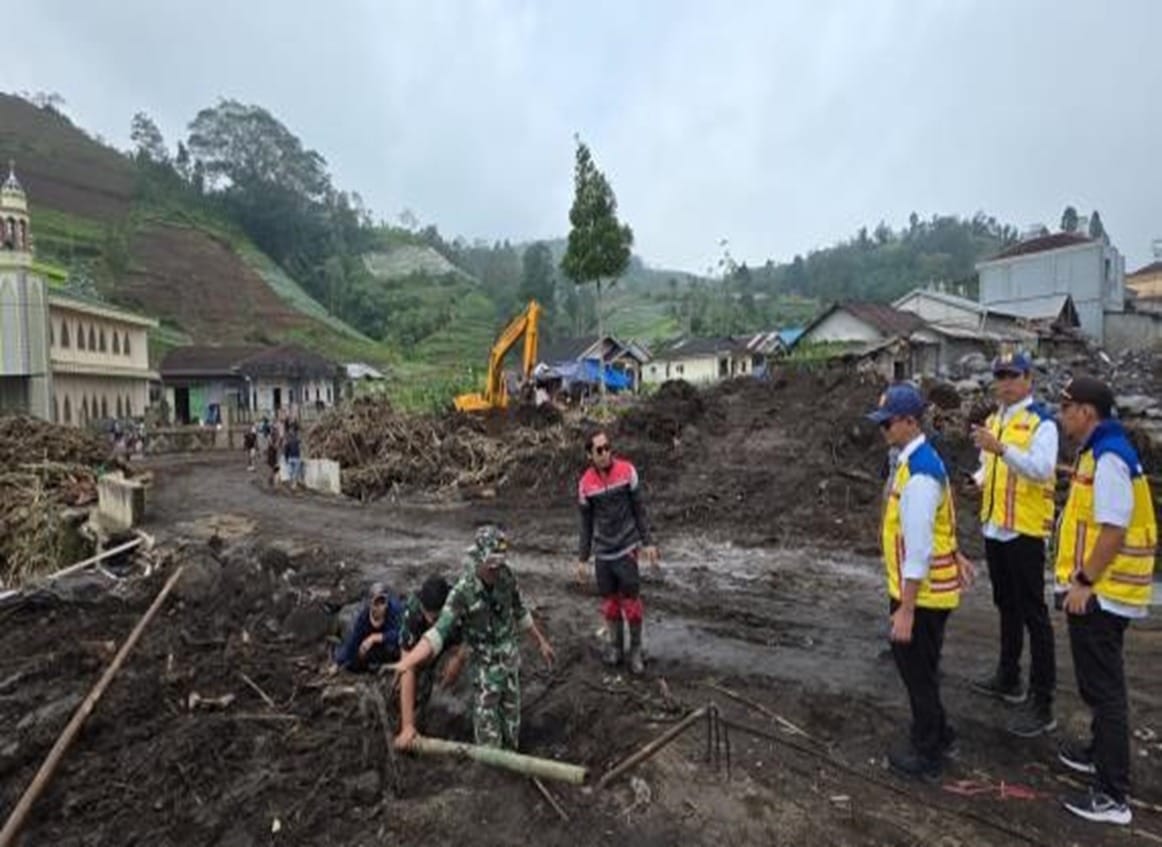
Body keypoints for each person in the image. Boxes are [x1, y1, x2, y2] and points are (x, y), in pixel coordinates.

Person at [1053, 377, 1156, 826]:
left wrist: (1083, 581)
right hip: (1104, 590)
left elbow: (1112, 530)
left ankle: (1114, 795)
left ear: (1087, 413)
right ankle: (1098, 753)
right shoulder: (1100, 450)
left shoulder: (1110, 457)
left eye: (1067, 408)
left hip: (1103, 592)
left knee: (1106, 691)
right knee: (1097, 687)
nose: (1062, 416)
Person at [868, 383, 974, 782]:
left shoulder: (921, 474)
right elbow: (939, 525)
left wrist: (906, 610)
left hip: (922, 594)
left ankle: (928, 751)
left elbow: (918, 548)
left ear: (910, 422)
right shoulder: (914, 462)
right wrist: (958, 553)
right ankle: (940, 732)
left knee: (917, 673)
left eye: (888, 423)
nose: (882, 431)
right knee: (922, 669)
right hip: (923, 589)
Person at [391, 526, 555, 750]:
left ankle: (511, 769)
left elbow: (520, 611)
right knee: (489, 741)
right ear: (479, 559)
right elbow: (437, 633)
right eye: (491, 565)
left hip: (509, 666)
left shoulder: (506, 577)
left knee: (511, 733)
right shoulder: (462, 592)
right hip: (485, 674)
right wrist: (406, 663)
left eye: (498, 564)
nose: (495, 570)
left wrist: (541, 641)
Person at [969, 351, 1059, 737]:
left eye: (1012, 375)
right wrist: (977, 476)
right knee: (1005, 604)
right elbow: (989, 467)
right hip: (995, 527)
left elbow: (1041, 470)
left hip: (1024, 531)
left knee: (1034, 613)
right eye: (1000, 375)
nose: (1005, 382)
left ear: (1028, 379)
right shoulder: (993, 420)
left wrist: (1001, 449)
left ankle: (1043, 700)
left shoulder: (1042, 423)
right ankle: (1008, 675)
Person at [575, 429, 659, 675]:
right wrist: (582, 558)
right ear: (590, 454)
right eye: (599, 450)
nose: (605, 453)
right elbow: (586, 525)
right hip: (603, 553)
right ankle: (615, 647)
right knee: (610, 604)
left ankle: (635, 650)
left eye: (608, 447)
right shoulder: (585, 484)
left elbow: (639, 510)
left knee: (631, 603)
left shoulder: (627, 472)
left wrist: (648, 542)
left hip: (626, 548)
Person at [393, 575, 469, 750]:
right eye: (427, 616)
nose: (430, 621)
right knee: (411, 686)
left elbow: (474, 635)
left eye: (435, 619)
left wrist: (458, 659)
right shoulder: (412, 612)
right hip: (423, 646)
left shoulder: (461, 604)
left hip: (454, 639)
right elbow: (407, 666)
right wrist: (407, 726)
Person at [333, 582, 404, 673]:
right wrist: (338, 662)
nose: (380, 607)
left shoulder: (394, 610)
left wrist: (376, 637)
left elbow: (402, 632)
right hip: (374, 648)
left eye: (383, 602)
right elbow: (353, 640)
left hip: (392, 645)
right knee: (354, 662)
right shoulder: (364, 617)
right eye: (376, 603)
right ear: (370, 604)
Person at [283, 423, 303, 488]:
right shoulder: (291, 438)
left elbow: (301, 447)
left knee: (294, 472)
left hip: (295, 457)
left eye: (292, 429)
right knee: (291, 472)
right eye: (291, 429)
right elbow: (286, 448)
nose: (291, 431)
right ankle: (293, 484)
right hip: (292, 457)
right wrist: (286, 457)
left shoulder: (297, 438)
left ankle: (294, 484)